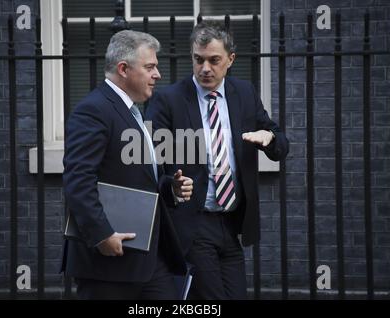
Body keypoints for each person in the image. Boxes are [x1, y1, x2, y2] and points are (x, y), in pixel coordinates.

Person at [146, 21, 289, 300]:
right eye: (198, 60)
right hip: (193, 222)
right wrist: (170, 185)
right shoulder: (168, 100)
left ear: (230, 60)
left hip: (231, 223)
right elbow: (147, 159)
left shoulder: (244, 93)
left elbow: (280, 144)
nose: (205, 68)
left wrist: (269, 139)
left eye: (214, 60)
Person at [62, 30, 194, 300]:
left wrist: (170, 189)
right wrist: (102, 235)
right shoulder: (94, 110)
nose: (157, 74)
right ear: (123, 69)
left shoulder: (133, 112)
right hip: (108, 263)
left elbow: (137, 177)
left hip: (149, 259)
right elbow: (78, 179)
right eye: (150, 67)